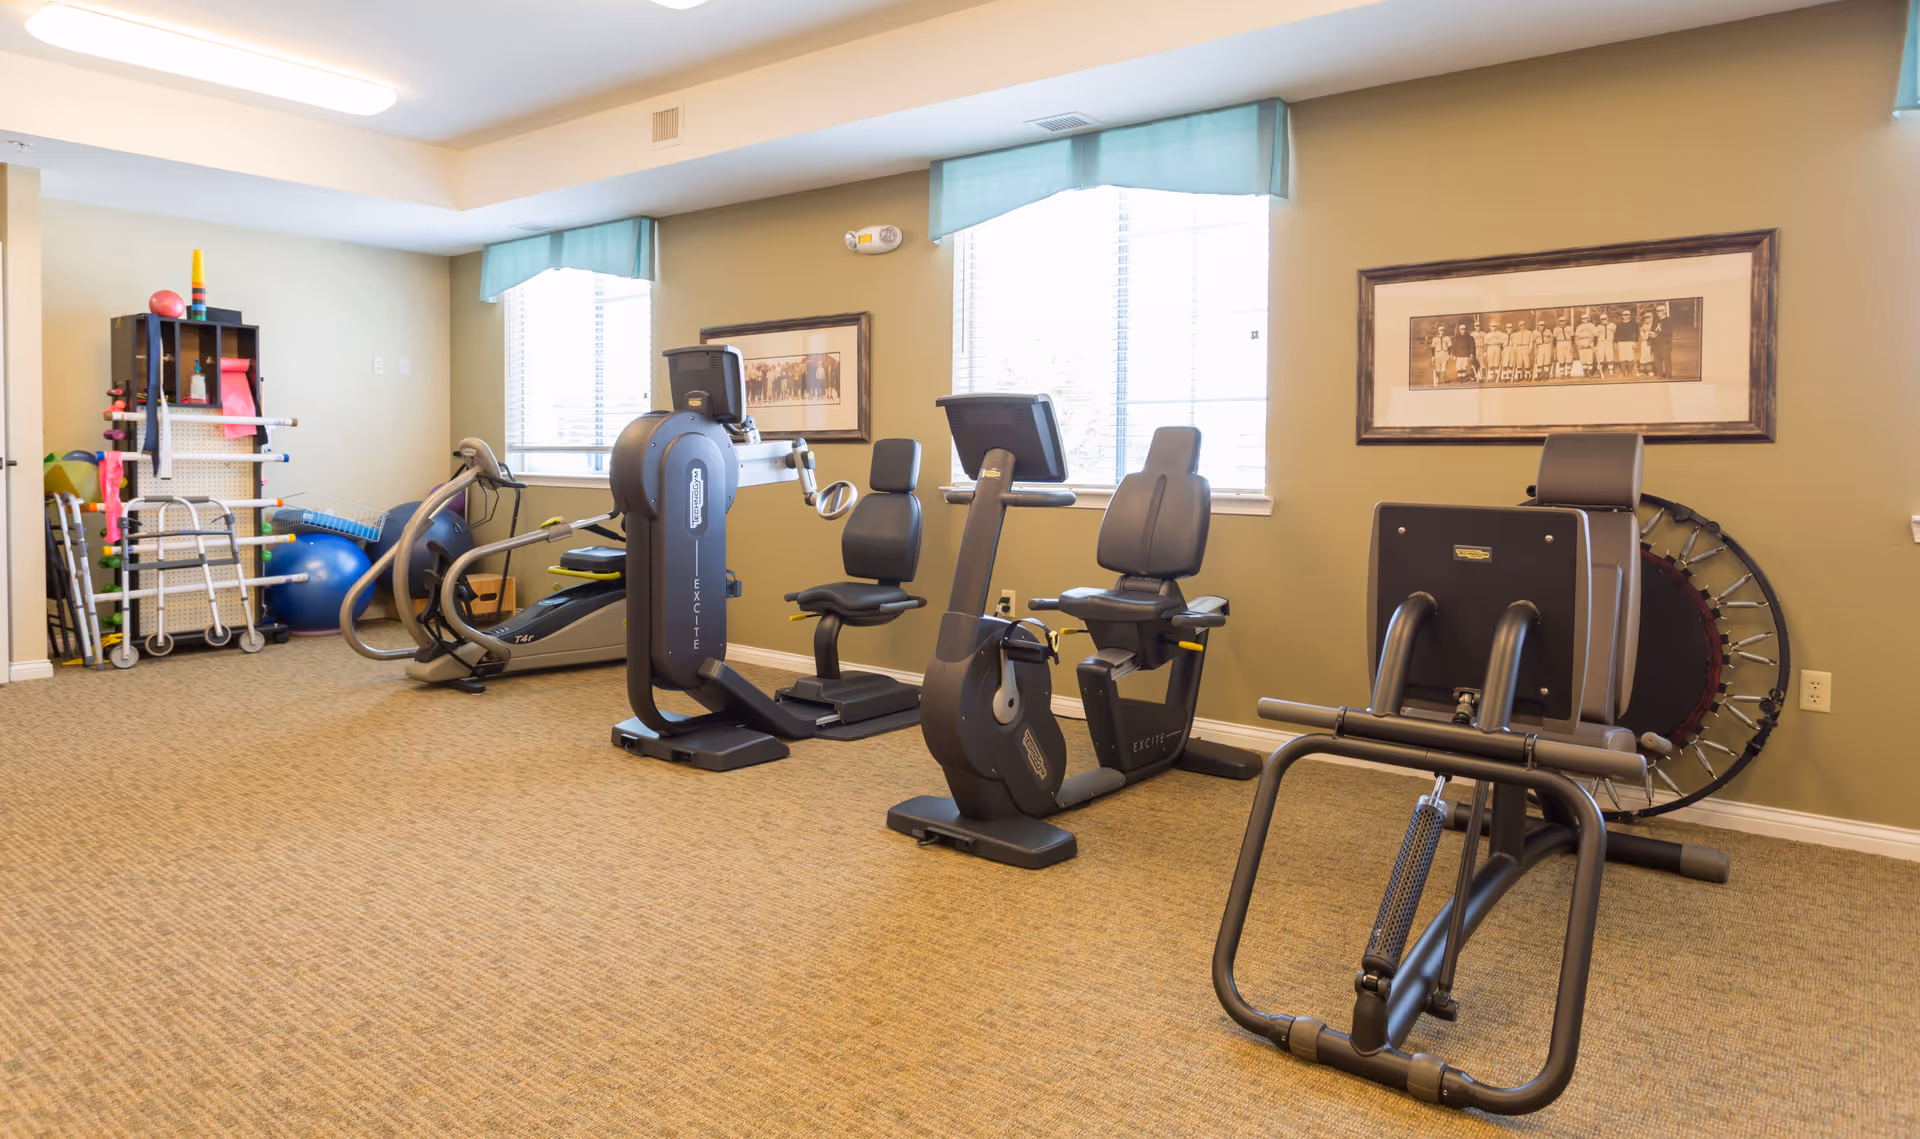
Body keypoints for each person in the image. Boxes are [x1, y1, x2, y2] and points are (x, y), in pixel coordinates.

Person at [1573, 312, 1599, 378]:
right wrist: (1578, 344)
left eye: (1586, 318)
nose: (1584, 319)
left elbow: (1596, 335)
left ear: (1588, 318)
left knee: (1589, 359)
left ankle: (1590, 373)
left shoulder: (1592, 325)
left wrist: (1591, 343)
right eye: (1583, 318)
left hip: (1589, 341)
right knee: (1583, 359)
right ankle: (1585, 373)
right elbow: (1576, 336)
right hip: (1581, 342)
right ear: (1581, 319)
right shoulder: (1579, 326)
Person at [1616, 310, 1640, 375]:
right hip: (1621, 342)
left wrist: (1635, 342)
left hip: (1630, 342)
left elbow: (1637, 333)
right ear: (1622, 316)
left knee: (1630, 357)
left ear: (1630, 316)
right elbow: (1616, 334)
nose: (1626, 316)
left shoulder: (1634, 324)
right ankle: (1623, 372)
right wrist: (1616, 343)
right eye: (1624, 315)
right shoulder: (1619, 324)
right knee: (1622, 357)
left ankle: (1630, 371)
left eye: (1627, 315)